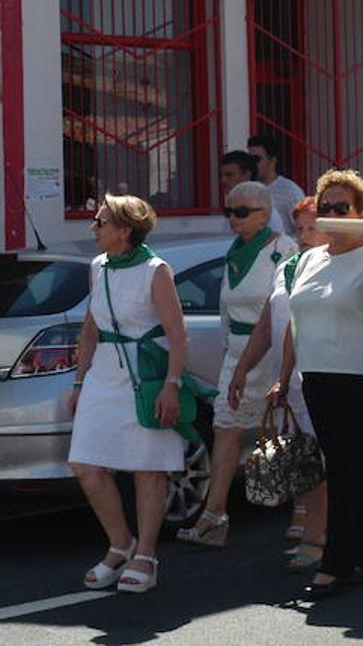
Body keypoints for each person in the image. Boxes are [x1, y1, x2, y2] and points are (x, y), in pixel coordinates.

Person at [68, 195, 203, 593]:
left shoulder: (155, 270)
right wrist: (79, 381)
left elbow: (178, 335)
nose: (93, 227)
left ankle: (145, 555)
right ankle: (120, 543)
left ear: (125, 230)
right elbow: (90, 328)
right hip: (103, 376)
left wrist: (172, 386)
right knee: (85, 465)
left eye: (100, 221)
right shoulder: (98, 267)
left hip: (146, 376)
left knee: (148, 468)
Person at [288, 169, 363, 599]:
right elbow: (295, 321)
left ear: (361, 213)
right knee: (341, 469)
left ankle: (335, 564)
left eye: (343, 208)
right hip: (318, 374)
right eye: (327, 207)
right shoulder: (308, 259)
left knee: (345, 470)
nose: (333, 215)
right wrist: (285, 377)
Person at [178, 182, 297, 549]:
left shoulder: (282, 249)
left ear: (264, 213)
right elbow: (227, 310)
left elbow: (285, 309)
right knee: (225, 428)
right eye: (229, 211)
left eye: (241, 212)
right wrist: (232, 354)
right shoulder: (234, 251)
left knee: (290, 431)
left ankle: (305, 516)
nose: (233, 218)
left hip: (274, 350)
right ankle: (214, 515)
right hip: (239, 354)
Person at [226, 197, 329, 572]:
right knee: (303, 455)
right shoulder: (286, 268)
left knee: (323, 458)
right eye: (298, 228)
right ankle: (314, 525)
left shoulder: (334, 268)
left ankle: (317, 535)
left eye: (311, 227)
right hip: (291, 380)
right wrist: (242, 369)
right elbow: (268, 325)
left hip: (326, 376)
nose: (303, 236)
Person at [248, 134, 306, 236]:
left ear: (272, 161)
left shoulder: (289, 191)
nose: (252, 164)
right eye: (249, 159)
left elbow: (303, 228)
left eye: (256, 159)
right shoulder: (247, 189)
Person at [220, 150, 288, 233]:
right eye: (222, 175)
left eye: (229, 175)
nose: (223, 180)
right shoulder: (233, 209)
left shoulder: (267, 211)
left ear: (247, 175)